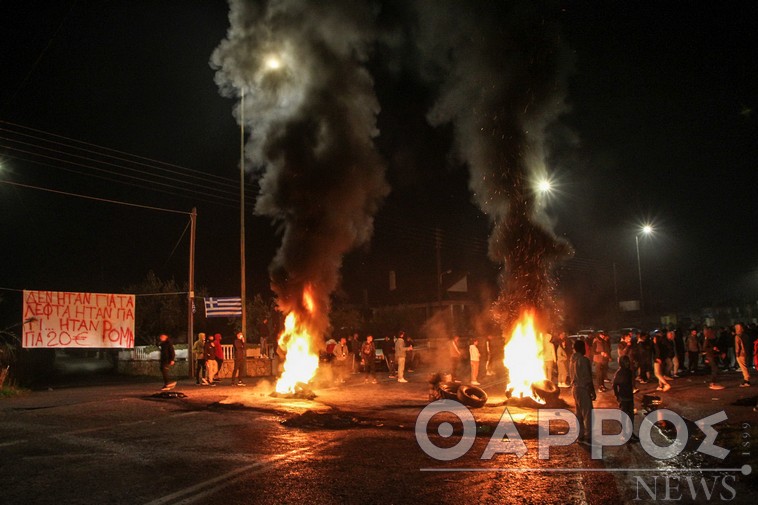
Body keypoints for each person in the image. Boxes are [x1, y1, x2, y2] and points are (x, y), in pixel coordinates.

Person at [569, 340, 595, 444]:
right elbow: (588, 377)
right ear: (581, 348)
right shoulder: (583, 360)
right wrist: (592, 390)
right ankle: (588, 435)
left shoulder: (571, 360)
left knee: (579, 413)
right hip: (583, 388)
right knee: (588, 413)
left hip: (575, 389)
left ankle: (580, 434)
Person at [612, 355, 639, 442]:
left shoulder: (629, 372)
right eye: (626, 362)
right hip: (623, 398)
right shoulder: (619, 373)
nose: (627, 363)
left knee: (630, 417)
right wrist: (617, 396)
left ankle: (630, 434)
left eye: (628, 361)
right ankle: (625, 434)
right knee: (624, 417)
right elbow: (614, 385)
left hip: (629, 397)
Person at [735, 323, 752, 387]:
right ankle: (746, 380)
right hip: (746, 353)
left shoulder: (737, 336)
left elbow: (737, 347)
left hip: (741, 354)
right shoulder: (746, 336)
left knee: (743, 367)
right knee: (745, 366)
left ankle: (746, 380)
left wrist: (737, 354)